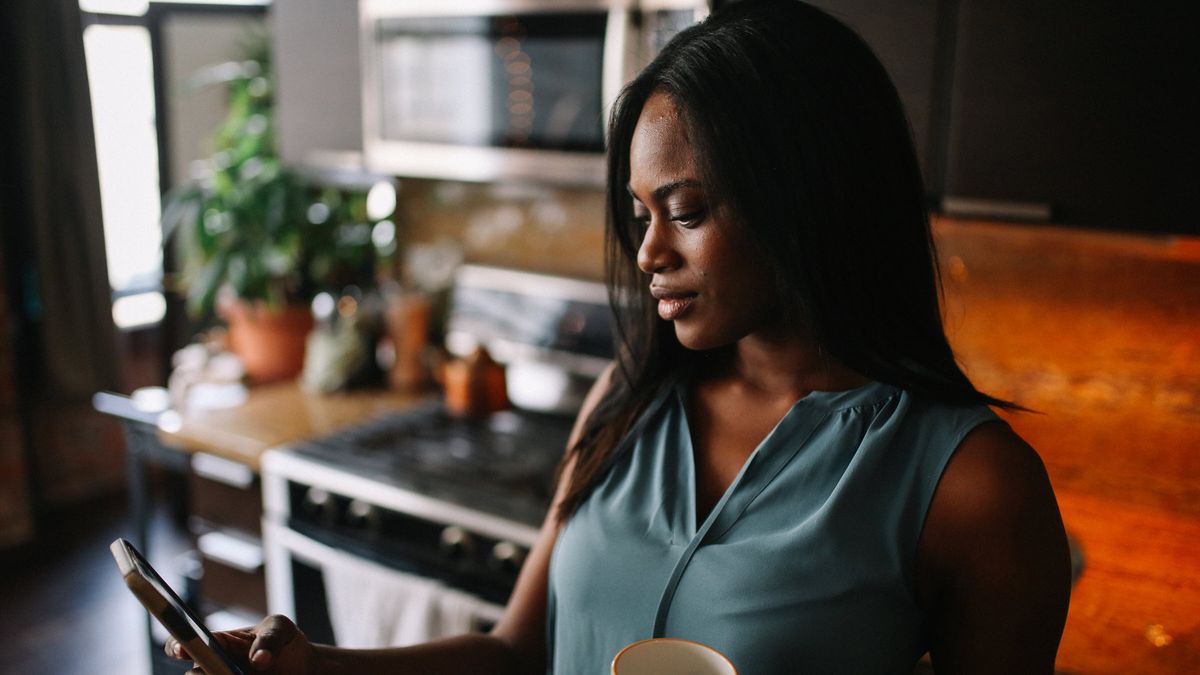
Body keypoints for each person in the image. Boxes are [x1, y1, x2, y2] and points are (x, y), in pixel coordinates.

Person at [170, 1, 1071, 672]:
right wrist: (317, 666)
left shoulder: (976, 490)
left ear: (810, 196)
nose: (647, 251)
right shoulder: (630, 395)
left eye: (685, 211)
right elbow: (519, 651)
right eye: (639, 213)